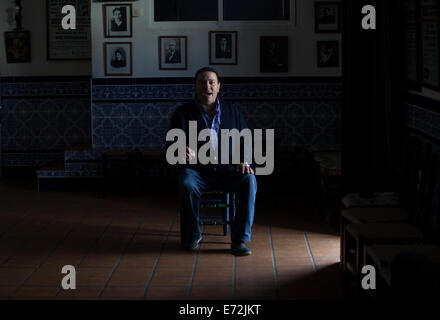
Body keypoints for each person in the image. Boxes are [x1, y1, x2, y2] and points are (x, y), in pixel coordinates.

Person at [168, 67, 257, 256]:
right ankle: (192, 235)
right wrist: (178, 150)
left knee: (249, 180)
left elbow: (245, 140)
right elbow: (171, 145)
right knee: (186, 183)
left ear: (218, 87)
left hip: (227, 171)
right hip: (196, 171)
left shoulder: (232, 111)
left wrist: (244, 160)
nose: (206, 86)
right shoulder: (182, 113)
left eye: (211, 82)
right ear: (195, 86)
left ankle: (239, 240)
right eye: (201, 82)